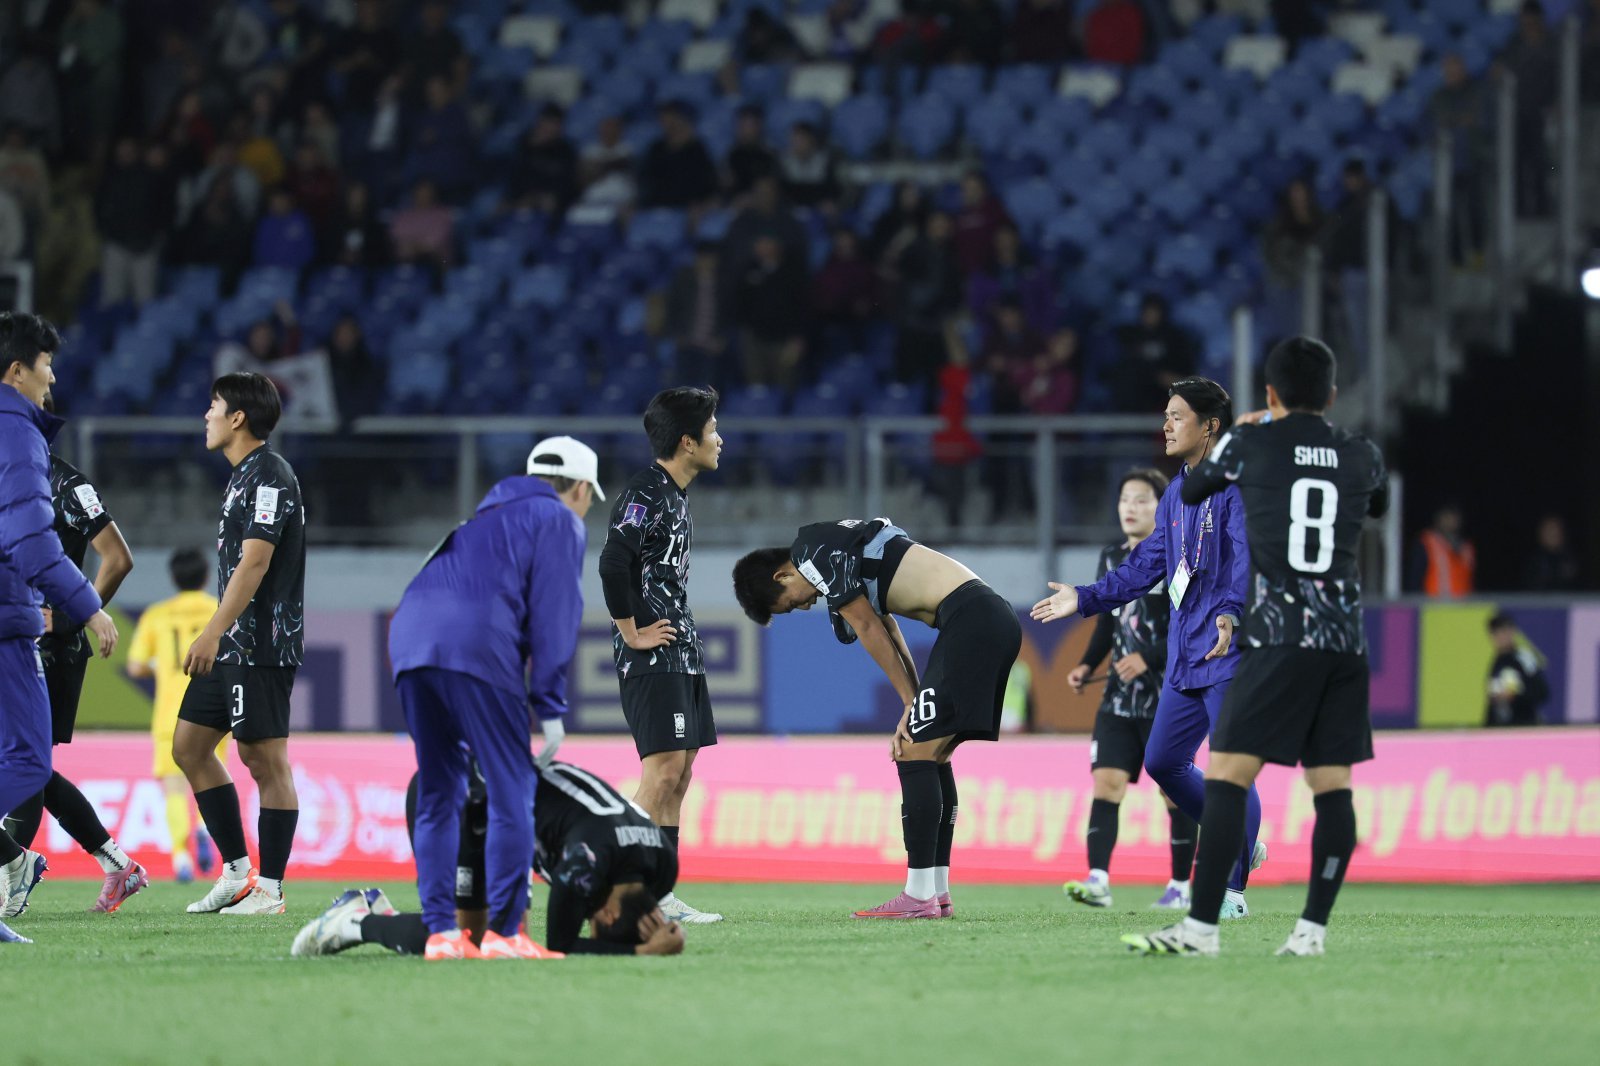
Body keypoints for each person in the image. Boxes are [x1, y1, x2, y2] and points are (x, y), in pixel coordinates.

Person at [1122, 336, 1389, 958]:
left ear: (1269, 394)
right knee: (1333, 789)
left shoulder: (1252, 445)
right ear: (1332, 395)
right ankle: (1311, 933)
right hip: (1341, 637)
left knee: (1227, 777)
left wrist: (1247, 431)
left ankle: (1202, 928)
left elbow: (1193, 493)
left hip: (1279, 633)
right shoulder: (1361, 452)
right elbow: (1377, 502)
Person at [1032, 378, 1265, 918]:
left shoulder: (1236, 487)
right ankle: (1241, 838)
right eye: (1165, 415)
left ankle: (1231, 892)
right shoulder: (1177, 494)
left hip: (1227, 649)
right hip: (1185, 654)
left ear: (1210, 426)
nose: (1166, 425)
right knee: (1163, 762)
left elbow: (1246, 558)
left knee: (1230, 770)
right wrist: (1084, 597)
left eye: (1177, 416)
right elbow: (1144, 567)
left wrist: (1232, 613)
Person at [733, 519, 1023, 919]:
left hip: (972, 621)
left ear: (782, 575)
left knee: (911, 751)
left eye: (792, 603)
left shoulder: (812, 553)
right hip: (986, 618)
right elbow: (888, 626)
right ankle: (936, 893)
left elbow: (868, 626)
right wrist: (914, 699)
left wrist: (909, 703)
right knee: (932, 754)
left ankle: (918, 895)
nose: (805, 606)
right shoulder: (839, 553)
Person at [386, 436, 597, 959]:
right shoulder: (559, 520)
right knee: (511, 788)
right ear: (578, 488)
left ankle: (442, 933)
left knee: (439, 789)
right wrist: (549, 704)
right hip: (477, 643)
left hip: (409, 642)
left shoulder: (476, 522)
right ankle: (506, 933)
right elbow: (555, 615)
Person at [291, 761, 685, 960]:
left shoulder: (662, 864)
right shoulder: (587, 862)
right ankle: (354, 922)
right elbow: (560, 944)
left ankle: (375, 913)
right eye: (593, 924)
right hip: (454, 797)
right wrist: (641, 952)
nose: (586, 916)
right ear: (610, 914)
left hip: (498, 813)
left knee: (504, 939)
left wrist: (646, 931)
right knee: (464, 940)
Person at [0, 311, 119, 943]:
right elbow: (32, 541)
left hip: (20, 623)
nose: (52, 378)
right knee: (28, 762)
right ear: (17, 370)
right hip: (8, 625)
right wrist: (88, 607)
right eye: (46, 365)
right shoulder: (18, 433)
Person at [173, 372, 306, 916]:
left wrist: (211, 631)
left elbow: (255, 562)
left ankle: (270, 890)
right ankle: (235, 872)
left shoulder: (271, 474)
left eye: (213, 405)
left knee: (263, 758)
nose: (206, 414)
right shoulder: (241, 475)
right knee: (189, 747)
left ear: (238, 418)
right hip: (234, 644)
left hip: (263, 643)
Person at [0, 421, 145, 917]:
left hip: (49, 650)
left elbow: (117, 558)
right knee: (30, 766)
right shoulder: (13, 481)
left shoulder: (67, 484)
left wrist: (69, 617)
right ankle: (116, 864)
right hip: (16, 640)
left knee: (26, 762)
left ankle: (14, 877)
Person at [597, 387, 724, 925]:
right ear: (688, 442)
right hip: (655, 655)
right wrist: (631, 633)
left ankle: (659, 892)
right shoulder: (645, 492)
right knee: (663, 771)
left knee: (682, 771)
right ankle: (609, 880)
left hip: (681, 650)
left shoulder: (672, 493)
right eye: (712, 430)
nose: (720, 439)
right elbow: (612, 563)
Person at [1060, 469, 1198, 912]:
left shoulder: (1177, 554)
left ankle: (1181, 886)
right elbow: (1108, 621)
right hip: (1118, 699)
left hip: (1167, 697)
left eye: (1141, 500)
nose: (1130, 508)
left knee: (1172, 791)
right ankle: (1098, 880)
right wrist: (1087, 664)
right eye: (1124, 499)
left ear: (1163, 507)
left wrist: (1149, 657)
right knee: (1107, 783)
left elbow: (1189, 623)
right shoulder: (1111, 557)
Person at [127, 548, 226, 883]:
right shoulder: (219, 609)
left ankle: (180, 858)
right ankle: (204, 828)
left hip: (171, 713)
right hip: (213, 709)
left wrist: (160, 667)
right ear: (207, 576)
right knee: (210, 778)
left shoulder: (157, 615)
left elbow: (135, 665)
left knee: (174, 788)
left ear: (173, 578)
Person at [1485, 614, 1549, 727]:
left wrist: (1515, 695)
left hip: (1523, 725)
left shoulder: (1524, 658)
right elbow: (1493, 702)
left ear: (1513, 632)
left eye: (1505, 631)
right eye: (1497, 633)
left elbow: (1542, 692)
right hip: (1500, 728)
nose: (1502, 637)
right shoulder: (1497, 662)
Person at [1407, 504, 1475, 597]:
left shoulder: (1466, 548)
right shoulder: (1427, 543)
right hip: (1433, 604)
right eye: (1446, 516)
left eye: (1454, 516)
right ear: (1438, 518)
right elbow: (1414, 579)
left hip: (1464, 605)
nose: (1451, 521)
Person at [1522, 515, 1578, 591]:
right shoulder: (1533, 562)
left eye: (1556, 531)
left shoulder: (1570, 561)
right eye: (1549, 531)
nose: (1553, 534)